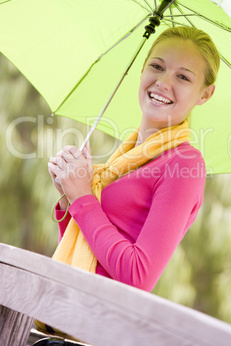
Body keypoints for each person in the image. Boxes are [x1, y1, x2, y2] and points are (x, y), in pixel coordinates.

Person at [48, 26, 220, 292]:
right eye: (157, 66)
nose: (164, 82)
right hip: (63, 309)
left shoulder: (184, 163)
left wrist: (83, 198)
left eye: (183, 77)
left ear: (205, 94)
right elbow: (86, 256)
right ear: (142, 69)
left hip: (97, 325)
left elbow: (138, 277)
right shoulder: (125, 160)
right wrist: (69, 194)